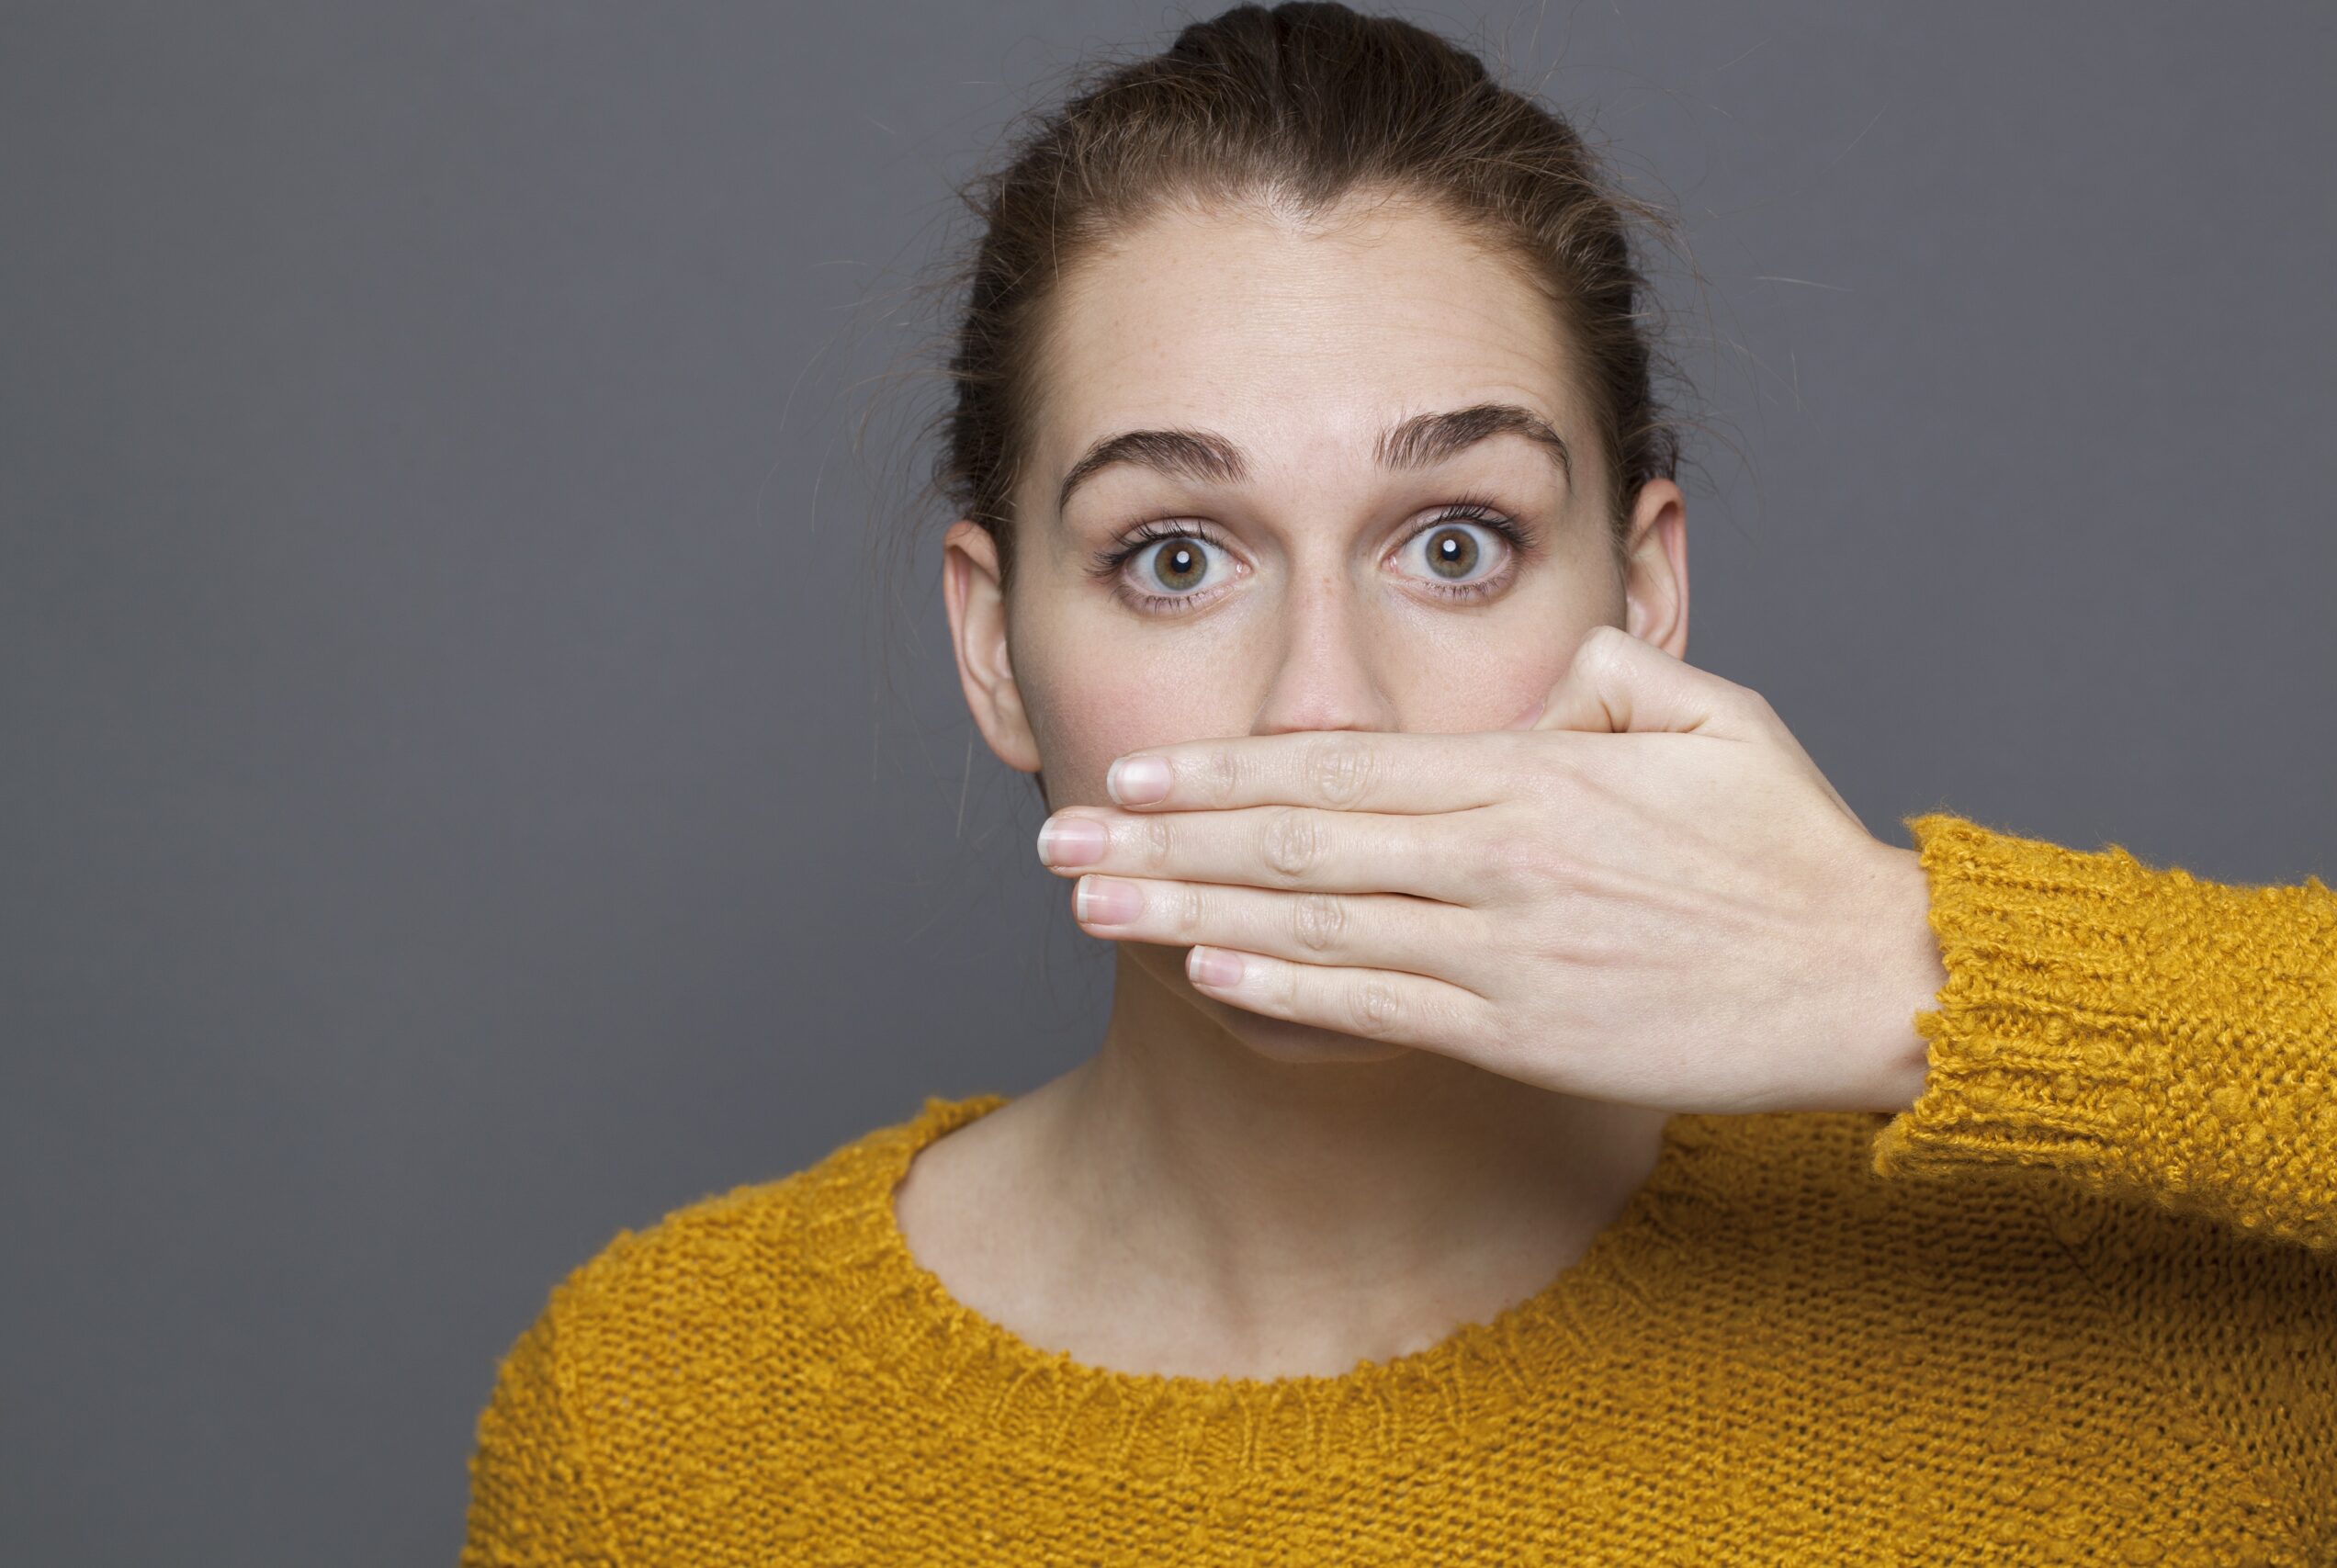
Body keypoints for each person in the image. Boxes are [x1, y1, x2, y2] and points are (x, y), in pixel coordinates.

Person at [459, 5, 2335, 1561]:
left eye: (1451, 544)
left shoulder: (2128, 1364)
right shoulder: (658, 1428)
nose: (1320, 707)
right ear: (987, 642)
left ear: (1646, 595)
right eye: (1175, 555)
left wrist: (1914, 973)